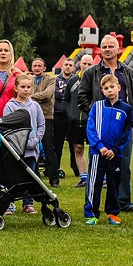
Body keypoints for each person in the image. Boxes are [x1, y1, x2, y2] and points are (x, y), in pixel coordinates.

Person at [77, 34, 133, 214]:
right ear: (101, 49)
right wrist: (97, 113)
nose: (107, 50)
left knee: (123, 164)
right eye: (104, 47)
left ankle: (123, 201)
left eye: (110, 46)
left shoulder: (128, 72)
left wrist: (131, 116)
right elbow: (81, 97)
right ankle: (92, 204)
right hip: (100, 129)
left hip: (123, 128)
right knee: (96, 167)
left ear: (118, 49)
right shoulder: (92, 72)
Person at [84, 74, 133, 226]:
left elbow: (127, 132)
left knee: (113, 183)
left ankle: (112, 213)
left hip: (115, 154)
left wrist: (115, 148)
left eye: (112, 87)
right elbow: (91, 128)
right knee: (94, 183)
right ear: (102, 91)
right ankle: (91, 213)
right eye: (106, 88)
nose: (110, 90)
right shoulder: (97, 107)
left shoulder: (127, 109)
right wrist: (100, 146)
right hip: (98, 153)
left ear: (118, 88)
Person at [3, 74, 45, 214]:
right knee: (13, 177)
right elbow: (7, 127)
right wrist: (20, 143)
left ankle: (28, 202)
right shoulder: (10, 106)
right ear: (16, 88)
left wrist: (35, 140)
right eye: (23, 87)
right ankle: (9, 202)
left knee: (30, 176)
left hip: (32, 150)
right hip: (16, 150)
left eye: (28, 87)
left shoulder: (35, 106)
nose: (26, 90)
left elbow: (41, 125)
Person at [64, 53, 93, 186]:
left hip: (91, 121)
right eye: (84, 63)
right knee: (78, 148)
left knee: (95, 149)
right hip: (74, 122)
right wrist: (69, 113)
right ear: (79, 64)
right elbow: (66, 99)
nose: (86, 66)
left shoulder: (95, 81)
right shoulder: (72, 80)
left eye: (89, 64)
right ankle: (84, 178)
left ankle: (98, 178)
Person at [29, 58, 57, 187]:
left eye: (40, 66)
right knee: (32, 146)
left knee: (48, 146)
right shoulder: (29, 79)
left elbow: (47, 95)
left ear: (44, 68)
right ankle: (35, 177)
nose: (37, 68)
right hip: (31, 116)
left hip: (46, 116)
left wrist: (31, 96)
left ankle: (54, 178)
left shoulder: (51, 79)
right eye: (35, 66)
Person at [50, 57, 75, 187]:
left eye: (71, 65)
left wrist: (64, 94)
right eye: (66, 64)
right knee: (57, 144)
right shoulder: (55, 79)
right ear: (62, 66)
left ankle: (76, 168)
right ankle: (56, 168)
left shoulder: (76, 80)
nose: (68, 67)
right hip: (58, 114)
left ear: (73, 67)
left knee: (74, 144)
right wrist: (67, 94)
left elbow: (75, 95)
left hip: (71, 115)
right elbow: (55, 94)